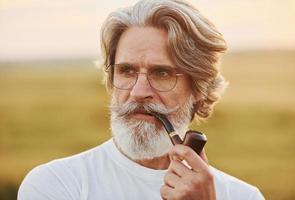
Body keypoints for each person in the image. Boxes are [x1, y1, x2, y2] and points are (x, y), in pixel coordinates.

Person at [18, 0, 265, 199]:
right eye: (127, 70)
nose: (138, 92)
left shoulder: (243, 195)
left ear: (198, 88)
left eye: (162, 73)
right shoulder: (56, 185)